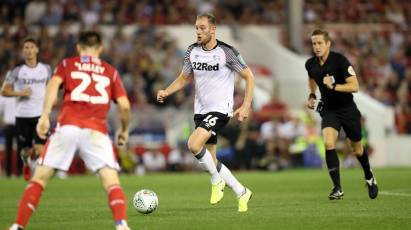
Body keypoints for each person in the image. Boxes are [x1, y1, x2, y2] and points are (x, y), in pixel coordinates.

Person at [8, 31, 132, 230]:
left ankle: (17, 226)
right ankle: (121, 224)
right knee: (110, 180)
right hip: (96, 130)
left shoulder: (68, 64)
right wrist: (124, 130)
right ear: (100, 48)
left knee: (39, 179)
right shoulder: (110, 71)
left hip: (68, 126)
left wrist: (45, 116)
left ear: (78, 47)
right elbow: (124, 106)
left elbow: (52, 87)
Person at [157, 13, 254, 212]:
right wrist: (167, 91)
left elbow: (249, 76)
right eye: (196, 28)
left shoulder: (226, 52)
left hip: (220, 110)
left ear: (213, 29)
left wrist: (245, 105)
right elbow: (184, 78)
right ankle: (241, 191)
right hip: (200, 111)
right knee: (211, 160)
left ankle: (216, 181)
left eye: (202, 28)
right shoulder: (191, 51)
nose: (198, 32)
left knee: (193, 144)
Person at [304, 29, 378, 200]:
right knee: (329, 142)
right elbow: (311, 79)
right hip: (329, 110)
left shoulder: (340, 61)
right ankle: (337, 188)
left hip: (348, 109)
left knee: (357, 149)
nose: (316, 46)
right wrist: (312, 95)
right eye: (314, 43)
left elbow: (355, 86)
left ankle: (369, 176)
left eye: (320, 43)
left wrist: (334, 86)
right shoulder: (310, 64)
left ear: (328, 44)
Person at [1, 37, 51, 181]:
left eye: (31, 47)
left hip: (40, 116)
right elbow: (4, 91)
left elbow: (50, 87)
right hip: (22, 116)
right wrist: (20, 93)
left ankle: (36, 172)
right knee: (26, 151)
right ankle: (26, 163)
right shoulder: (16, 71)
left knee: (40, 149)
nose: (29, 50)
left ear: (37, 50)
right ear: (23, 51)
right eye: (26, 48)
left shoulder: (46, 69)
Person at [0, 95, 19, 177]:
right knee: (8, 150)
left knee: (20, 149)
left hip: (19, 124)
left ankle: (19, 172)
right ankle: (8, 173)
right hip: (8, 125)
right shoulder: (4, 96)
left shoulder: (20, 94)